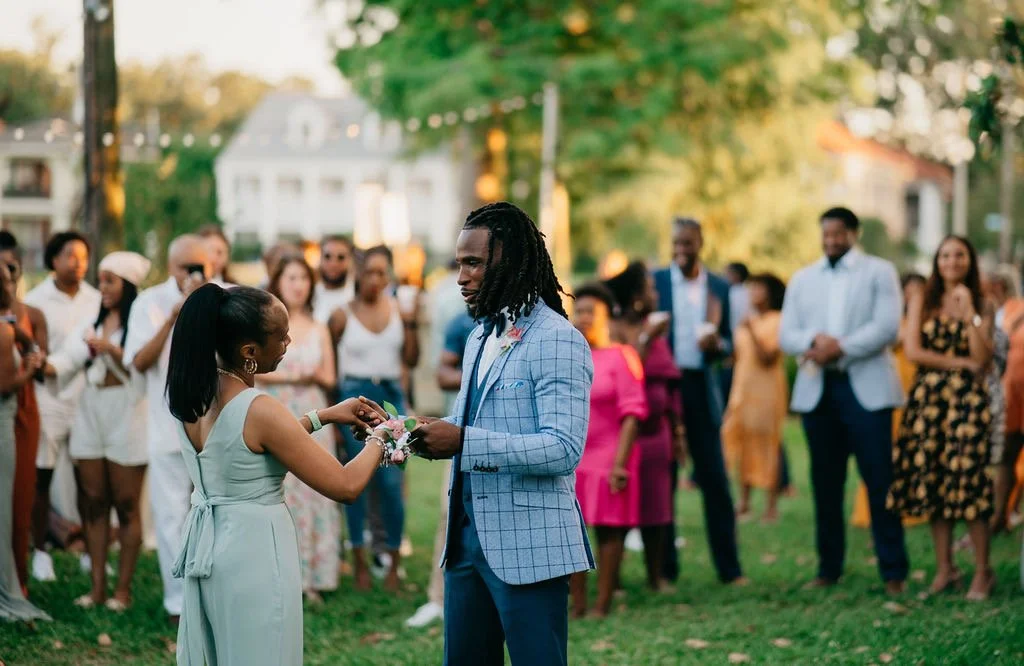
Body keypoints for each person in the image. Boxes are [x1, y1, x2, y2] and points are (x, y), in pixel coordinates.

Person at [408, 202, 594, 664]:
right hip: (464, 544)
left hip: (528, 544)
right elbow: (467, 424)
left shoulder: (556, 338)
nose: (461, 276)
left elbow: (563, 448)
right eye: (459, 263)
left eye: (473, 263)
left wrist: (465, 442)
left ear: (508, 261)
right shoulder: (479, 336)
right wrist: (410, 430)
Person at [165, 282, 389, 665]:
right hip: (255, 551)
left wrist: (324, 415)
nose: (289, 341)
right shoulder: (259, 409)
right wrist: (384, 436)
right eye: (280, 336)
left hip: (211, 550)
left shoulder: (193, 395)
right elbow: (346, 485)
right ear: (249, 352)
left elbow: (245, 450)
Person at [780, 206, 908, 595]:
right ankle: (828, 567)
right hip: (819, 390)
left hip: (867, 390)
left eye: (838, 234)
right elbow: (788, 334)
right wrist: (813, 343)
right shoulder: (803, 278)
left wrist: (842, 347)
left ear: (854, 233)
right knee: (825, 483)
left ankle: (893, 571)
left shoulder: (879, 272)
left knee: (879, 481)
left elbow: (887, 326)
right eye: (826, 234)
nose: (831, 240)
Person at [888, 235, 996, 601]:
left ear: (970, 260)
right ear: (937, 261)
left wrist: (969, 317)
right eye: (946, 255)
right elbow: (914, 351)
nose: (952, 261)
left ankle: (983, 571)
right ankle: (945, 568)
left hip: (967, 403)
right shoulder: (923, 299)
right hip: (928, 401)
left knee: (968, 480)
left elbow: (982, 358)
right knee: (933, 479)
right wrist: (958, 363)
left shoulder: (983, 302)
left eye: (960, 254)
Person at [40, 251, 150, 610]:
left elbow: (144, 366)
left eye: (109, 280)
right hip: (90, 410)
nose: (101, 287)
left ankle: (123, 590)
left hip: (127, 411)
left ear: (128, 285)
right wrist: (44, 364)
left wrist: (112, 350)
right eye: (100, 279)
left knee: (126, 502)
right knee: (93, 501)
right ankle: (97, 587)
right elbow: (69, 358)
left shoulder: (142, 320)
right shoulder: (92, 319)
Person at [122, 234, 210, 623]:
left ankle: (213, 594)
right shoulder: (149, 303)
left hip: (215, 427)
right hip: (166, 425)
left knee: (216, 512)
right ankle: (179, 603)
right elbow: (138, 361)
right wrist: (174, 317)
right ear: (170, 266)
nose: (192, 274)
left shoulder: (225, 298)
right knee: (170, 515)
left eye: (200, 267)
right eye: (185, 267)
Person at [652, 217, 744, 584]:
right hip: (666, 388)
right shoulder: (657, 282)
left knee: (716, 479)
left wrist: (717, 345)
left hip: (702, 386)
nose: (681, 250)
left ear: (701, 242)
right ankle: (665, 569)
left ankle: (730, 569)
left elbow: (731, 342)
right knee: (665, 478)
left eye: (688, 243)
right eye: (676, 242)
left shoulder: (719, 287)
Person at [329, 245, 419, 591]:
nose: (375, 280)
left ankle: (394, 563)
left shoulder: (399, 310)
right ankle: (361, 564)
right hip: (354, 399)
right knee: (355, 483)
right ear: (358, 274)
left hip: (392, 398)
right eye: (369, 272)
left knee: (393, 485)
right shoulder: (341, 315)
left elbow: (411, 359)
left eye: (382, 273)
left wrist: (410, 321)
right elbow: (332, 368)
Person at [258, 255, 340, 604]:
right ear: (278, 281)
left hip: (313, 413)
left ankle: (312, 576)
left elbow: (329, 377)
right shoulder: (262, 325)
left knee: (313, 492)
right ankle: (276, 576)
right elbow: (254, 370)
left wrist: (306, 376)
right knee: (280, 492)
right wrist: (298, 375)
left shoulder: (319, 327)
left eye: (304, 278)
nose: (298, 285)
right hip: (274, 412)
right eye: (291, 278)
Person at [23, 231, 101, 583]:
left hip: (86, 397)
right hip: (49, 397)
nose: (79, 262)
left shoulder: (96, 299)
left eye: (84, 256)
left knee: (90, 480)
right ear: (53, 259)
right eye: (71, 255)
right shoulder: (37, 300)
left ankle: (89, 549)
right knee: (43, 477)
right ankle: (41, 552)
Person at [603, 261, 682, 592]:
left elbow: (671, 384)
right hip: (622, 434)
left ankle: (656, 576)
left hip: (657, 431)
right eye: (650, 288)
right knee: (618, 510)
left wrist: (679, 432)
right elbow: (626, 368)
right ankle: (614, 579)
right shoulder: (615, 329)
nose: (655, 293)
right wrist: (647, 337)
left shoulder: (657, 329)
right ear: (636, 296)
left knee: (657, 507)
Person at [570, 283, 647, 617]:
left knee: (609, 530)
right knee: (571, 530)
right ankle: (577, 604)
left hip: (612, 453)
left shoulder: (622, 356)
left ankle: (602, 603)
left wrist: (620, 464)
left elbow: (633, 413)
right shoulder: (568, 356)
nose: (584, 318)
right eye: (579, 311)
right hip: (573, 455)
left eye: (592, 312)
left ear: (607, 318)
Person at [406, 306, 475, 629]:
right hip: (461, 432)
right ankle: (438, 598)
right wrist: (488, 376)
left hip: (510, 438)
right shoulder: (462, 321)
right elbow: (443, 374)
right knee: (450, 511)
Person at [850, 273, 928, 530]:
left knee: (916, 446)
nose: (913, 293)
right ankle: (875, 508)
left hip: (919, 388)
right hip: (893, 388)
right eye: (909, 289)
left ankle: (915, 506)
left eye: (919, 288)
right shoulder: (893, 320)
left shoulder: (928, 321)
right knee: (884, 449)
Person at [0, 261, 50, 622]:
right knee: (4, 508)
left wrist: (27, 342)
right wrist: (30, 369)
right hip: (4, 421)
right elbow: (4, 387)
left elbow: (24, 336)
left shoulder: (8, 327)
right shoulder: (3, 331)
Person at [721, 273, 788, 524]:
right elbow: (738, 356)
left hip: (768, 392)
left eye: (758, 288)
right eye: (751, 289)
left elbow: (768, 357)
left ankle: (771, 506)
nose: (753, 293)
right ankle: (744, 502)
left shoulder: (778, 320)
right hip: (743, 391)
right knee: (742, 441)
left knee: (770, 443)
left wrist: (750, 330)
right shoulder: (745, 322)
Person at [312, 235, 356, 325]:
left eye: (341, 258)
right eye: (327, 257)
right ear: (320, 259)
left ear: (351, 260)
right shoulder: (308, 294)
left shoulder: (358, 294)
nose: (333, 264)